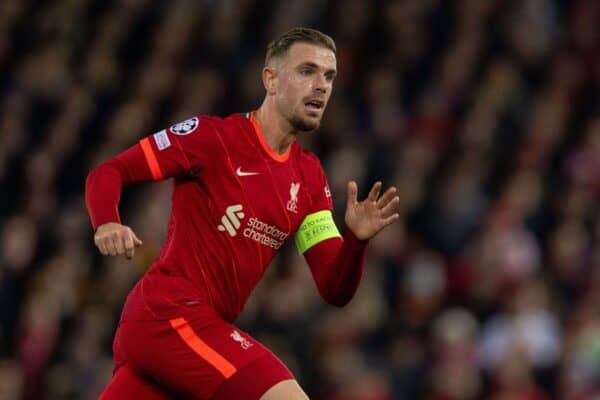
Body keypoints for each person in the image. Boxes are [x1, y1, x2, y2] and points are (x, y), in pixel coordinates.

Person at [86, 27, 400, 400]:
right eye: (307, 71)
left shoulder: (309, 177)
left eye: (329, 76)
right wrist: (106, 220)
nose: (321, 86)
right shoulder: (212, 138)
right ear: (270, 79)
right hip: (170, 315)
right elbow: (108, 172)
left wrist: (356, 242)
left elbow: (334, 288)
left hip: (187, 333)